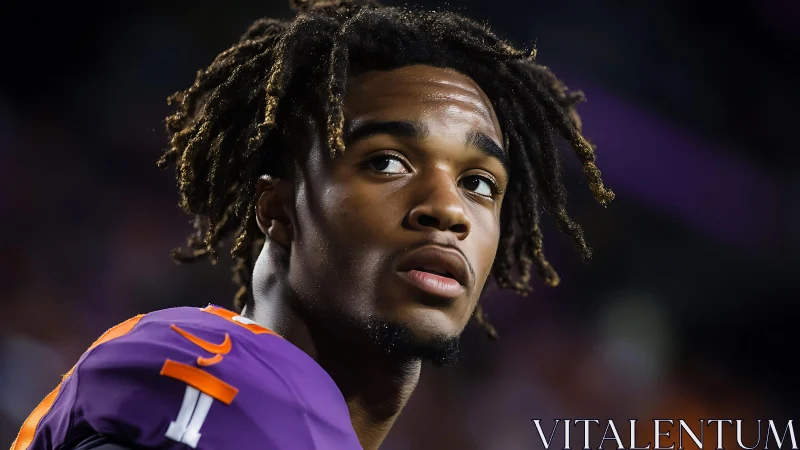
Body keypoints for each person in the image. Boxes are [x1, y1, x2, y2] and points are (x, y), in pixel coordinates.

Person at [11, 0, 614, 448]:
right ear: (278, 209)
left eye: (479, 183)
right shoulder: (216, 382)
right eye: (386, 162)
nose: (449, 209)